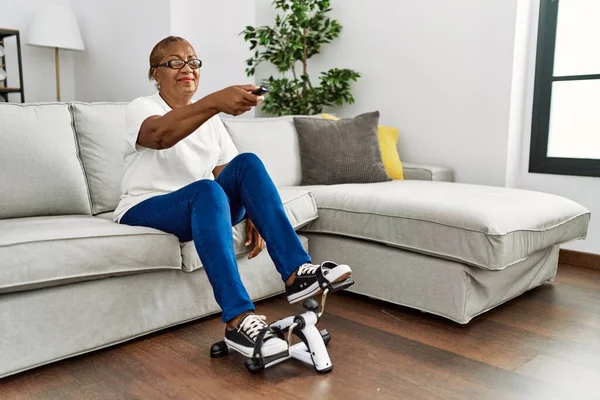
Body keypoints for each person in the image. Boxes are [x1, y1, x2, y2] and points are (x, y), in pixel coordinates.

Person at [114, 36, 352, 358]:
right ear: (156, 74)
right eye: (175, 62)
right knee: (206, 189)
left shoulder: (210, 121)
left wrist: (255, 211)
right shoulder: (143, 107)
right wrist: (213, 102)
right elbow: (160, 136)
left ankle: (297, 274)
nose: (187, 68)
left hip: (201, 205)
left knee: (247, 163)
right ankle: (238, 319)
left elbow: (234, 175)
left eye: (193, 61)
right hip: (147, 206)